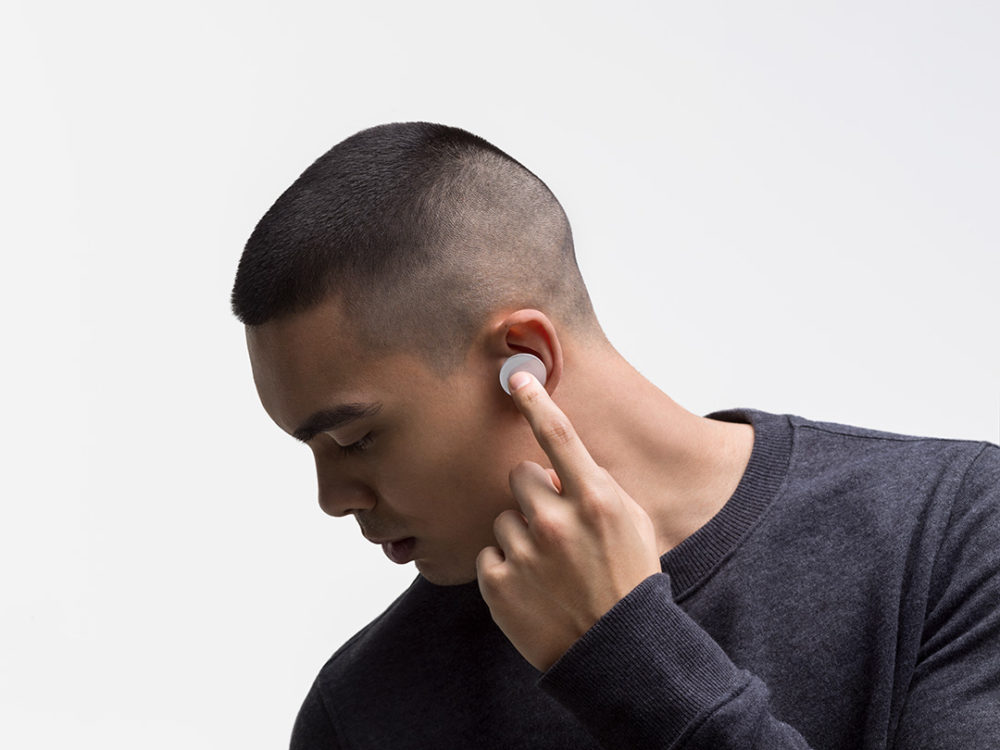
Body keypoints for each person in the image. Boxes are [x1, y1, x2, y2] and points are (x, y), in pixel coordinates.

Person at [231, 122, 1000, 749]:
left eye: (356, 439)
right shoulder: (362, 712)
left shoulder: (954, 531)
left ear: (523, 360)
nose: (333, 499)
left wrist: (626, 652)